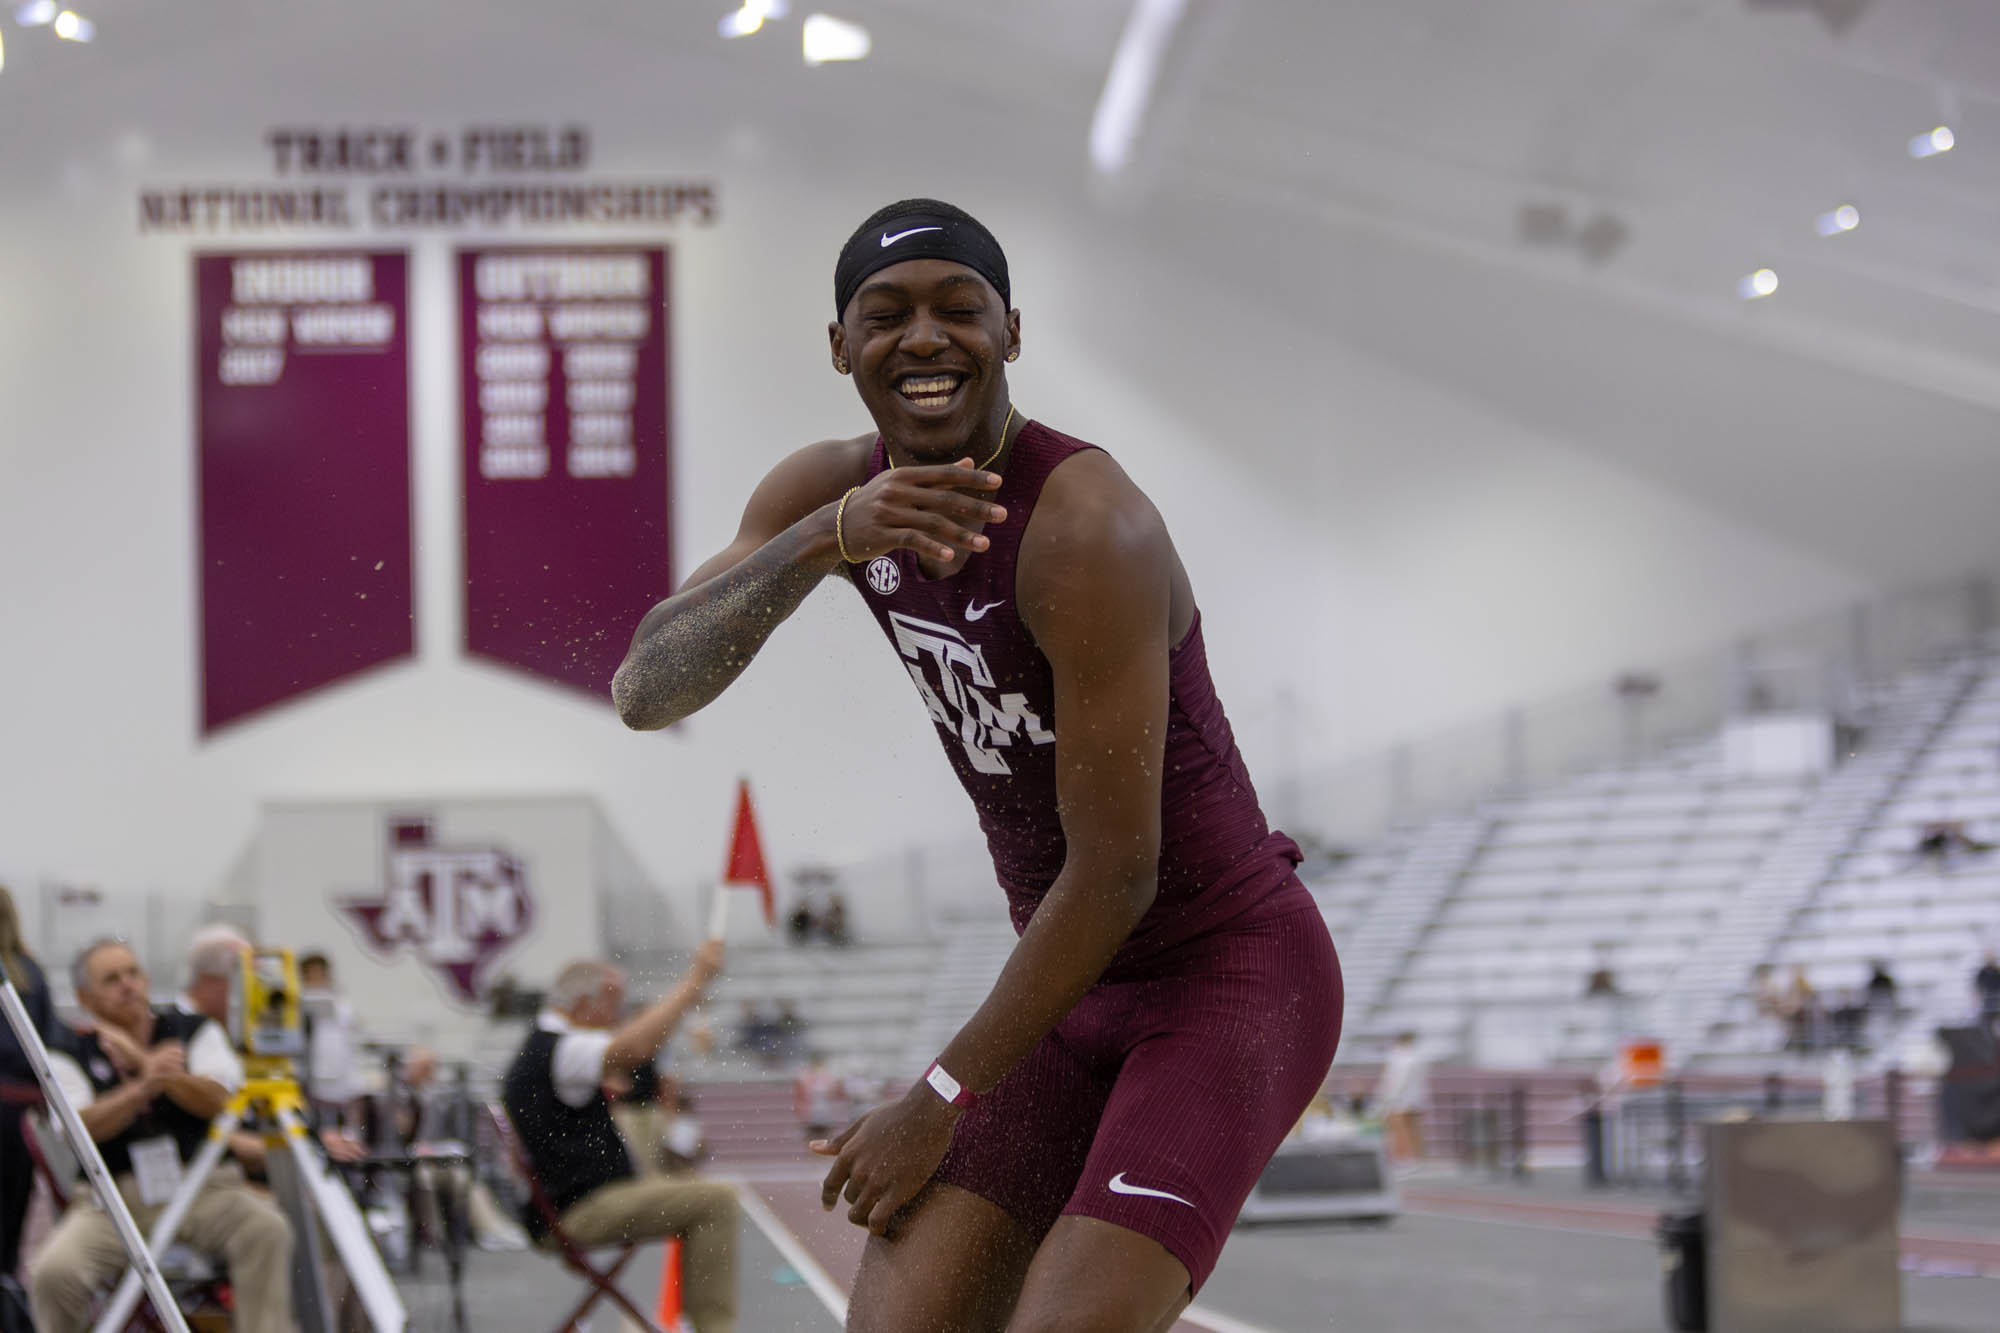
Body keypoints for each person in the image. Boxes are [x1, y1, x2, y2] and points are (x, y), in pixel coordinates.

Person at [611, 198, 1342, 1332]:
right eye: (886, 312)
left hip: (1225, 975)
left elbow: (1114, 874)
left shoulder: (1084, 526)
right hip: (1073, 984)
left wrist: (941, 1092)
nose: (925, 338)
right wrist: (826, 540)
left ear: (1010, 331)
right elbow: (644, 691)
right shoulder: (830, 494)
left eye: (961, 308)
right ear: (838, 344)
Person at [29, 939, 296, 1333]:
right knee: (53, 1271)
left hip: (205, 1190)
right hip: (113, 1201)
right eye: (112, 979)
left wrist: (147, 1065)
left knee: (267, 1229)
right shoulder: (67, 1051)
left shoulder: (194, 1030)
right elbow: (77, 1129)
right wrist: (142, 1087)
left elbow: (222, 1101)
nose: (127, 985)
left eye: (133, 973)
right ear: (86, 998)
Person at [501, 944, 737, 1333]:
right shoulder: (563, 1048)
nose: (616, 1019)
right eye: (612, 1006)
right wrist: (694, 981)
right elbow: (634, 1049)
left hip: (568, 1202)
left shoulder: (543, 1047)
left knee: (699, 1193)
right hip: (581, 1208)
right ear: (584, 1004)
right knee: (718, 1201)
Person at [1, 884, 63, 1288]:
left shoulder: (22, 974)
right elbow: (49, 1045)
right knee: (10, 1222)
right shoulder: (30, 972)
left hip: (9, 1112)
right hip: (22, 1116)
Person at [298, 951, 364, 1126]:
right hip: (308, 1080)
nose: (317, 979)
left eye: (320, 973)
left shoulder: (342, 1005)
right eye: (312, 974)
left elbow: (350, 1037)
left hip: (340, 1078)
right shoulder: (296, 1006)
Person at [1371, 1032, 1430, 1163]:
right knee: (1413, 1129)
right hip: (1414, 1099)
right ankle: (1417, 1157)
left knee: (1399, 1128)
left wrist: (1386, 1098)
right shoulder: (1417, 1056)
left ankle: (1406, 1158)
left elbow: (1396, 1081)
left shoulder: (1400, 1057)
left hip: (1400, 1100)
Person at [1974, 951, 2000, 1031]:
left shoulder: (1997, 971)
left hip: (1996, 999)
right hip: (1987, 1000)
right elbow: (1978, 985)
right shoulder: (1982, 973)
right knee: (1986, 1020)